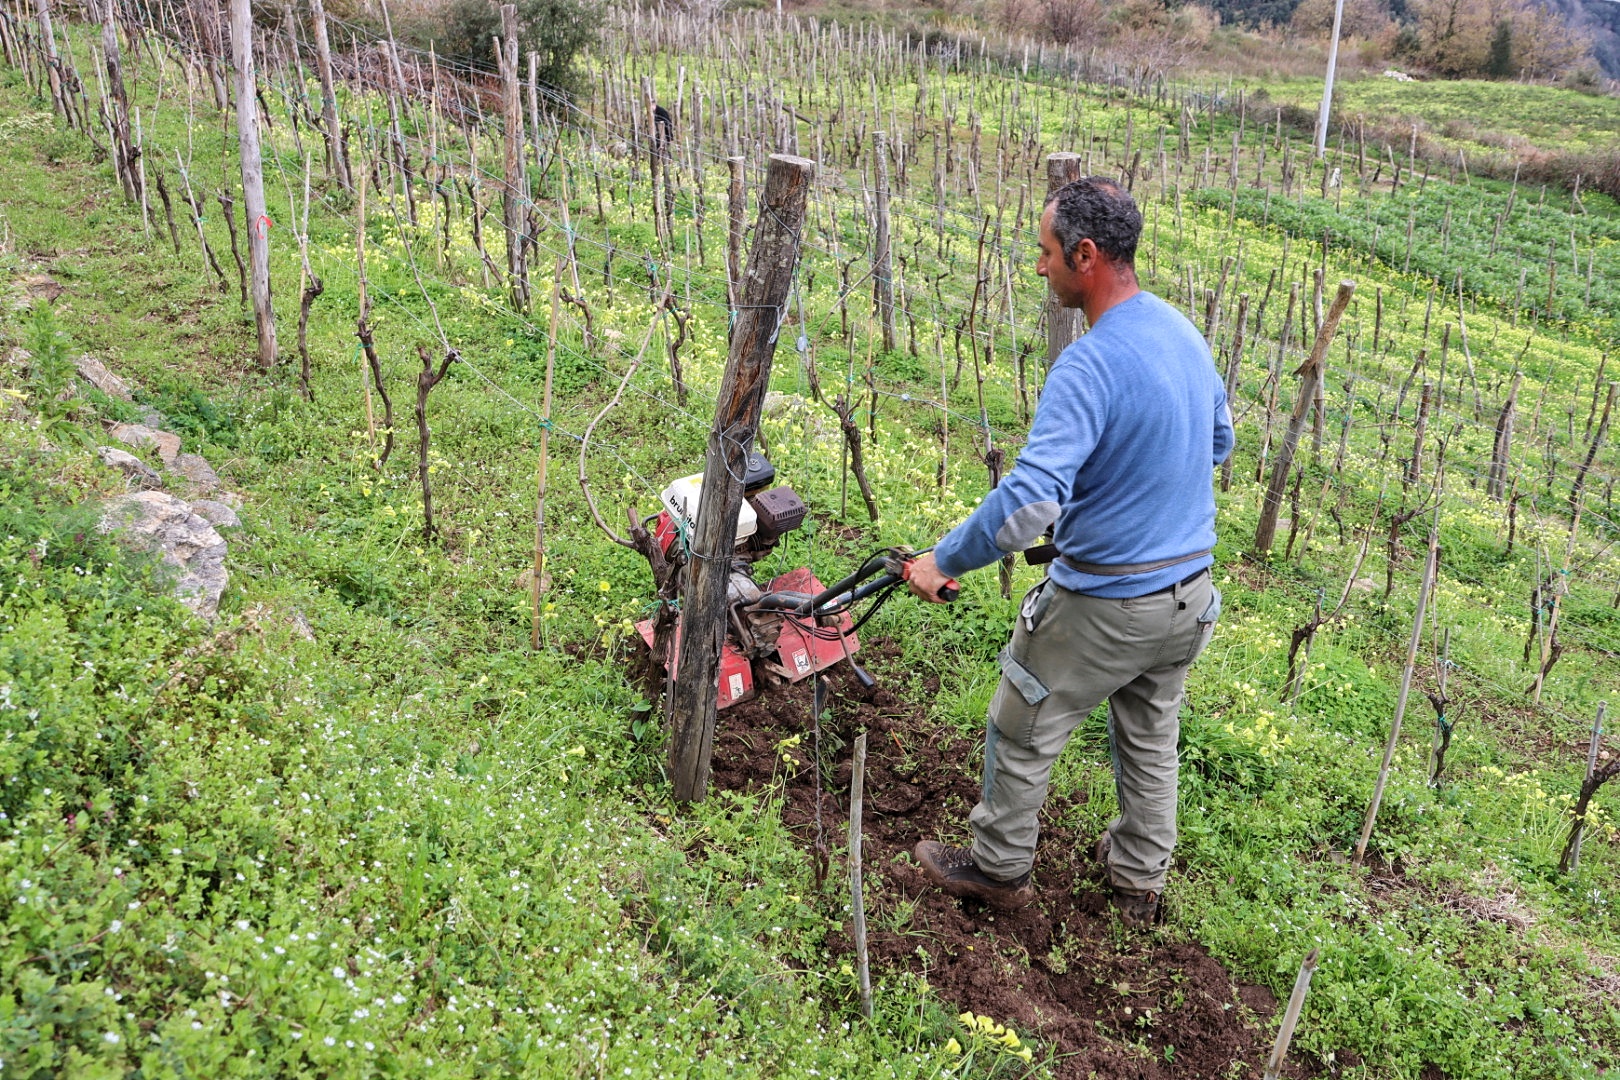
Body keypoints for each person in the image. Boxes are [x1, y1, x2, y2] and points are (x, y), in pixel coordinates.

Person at [906, 177, 1233, 928]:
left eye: (1046, 253)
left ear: (1085, 255)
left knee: (1021, 724)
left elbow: (1028, 505)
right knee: (1151, 738)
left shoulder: (1087, 366)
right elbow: (1220, 441)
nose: (1039, 267)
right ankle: (1136, 885)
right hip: (1189, 597)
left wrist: (942, 561)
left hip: (1106, 605)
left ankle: (996, 870)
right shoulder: (1182, 332)